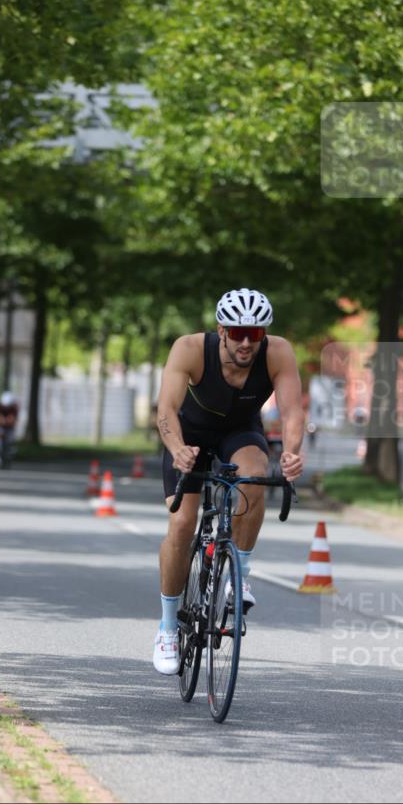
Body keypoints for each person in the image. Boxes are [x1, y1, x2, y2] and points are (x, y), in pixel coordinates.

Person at [153, 288, 305, 674]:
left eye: (254, 334)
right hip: (190, 434)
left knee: (255, 476)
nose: (244, 342)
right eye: (237, 332)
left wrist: (291, 453)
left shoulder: (277, 352)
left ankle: (239, 577)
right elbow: (167, 409)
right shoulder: (189, 349)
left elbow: (291, 413)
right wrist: (176, 449)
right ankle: (169, 626)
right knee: (182, 523)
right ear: (221, 330)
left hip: (240, 431)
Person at [0, 391, 19, 467]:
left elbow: (12, 419)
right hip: (1, 426)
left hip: (10, 427)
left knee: (10, 440)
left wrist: (8, 421)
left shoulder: (14, 407)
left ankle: (9, 456)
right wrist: (2, 421)